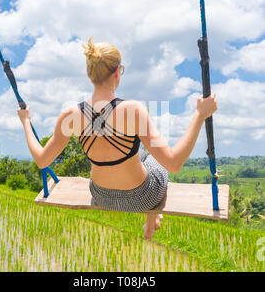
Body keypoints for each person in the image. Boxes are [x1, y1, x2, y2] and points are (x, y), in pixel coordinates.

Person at [17, 37, 218, 239]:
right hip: (142, 198)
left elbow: (42, 160)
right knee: (155, 158)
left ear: (89, 74)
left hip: (100, 196)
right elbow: (174, 163)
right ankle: (152, 216)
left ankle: (152, 218)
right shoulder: (133, 110)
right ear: (117, 72)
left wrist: (26, 121)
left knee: (140, 154)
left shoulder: (70, 115)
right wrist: (200, 115)